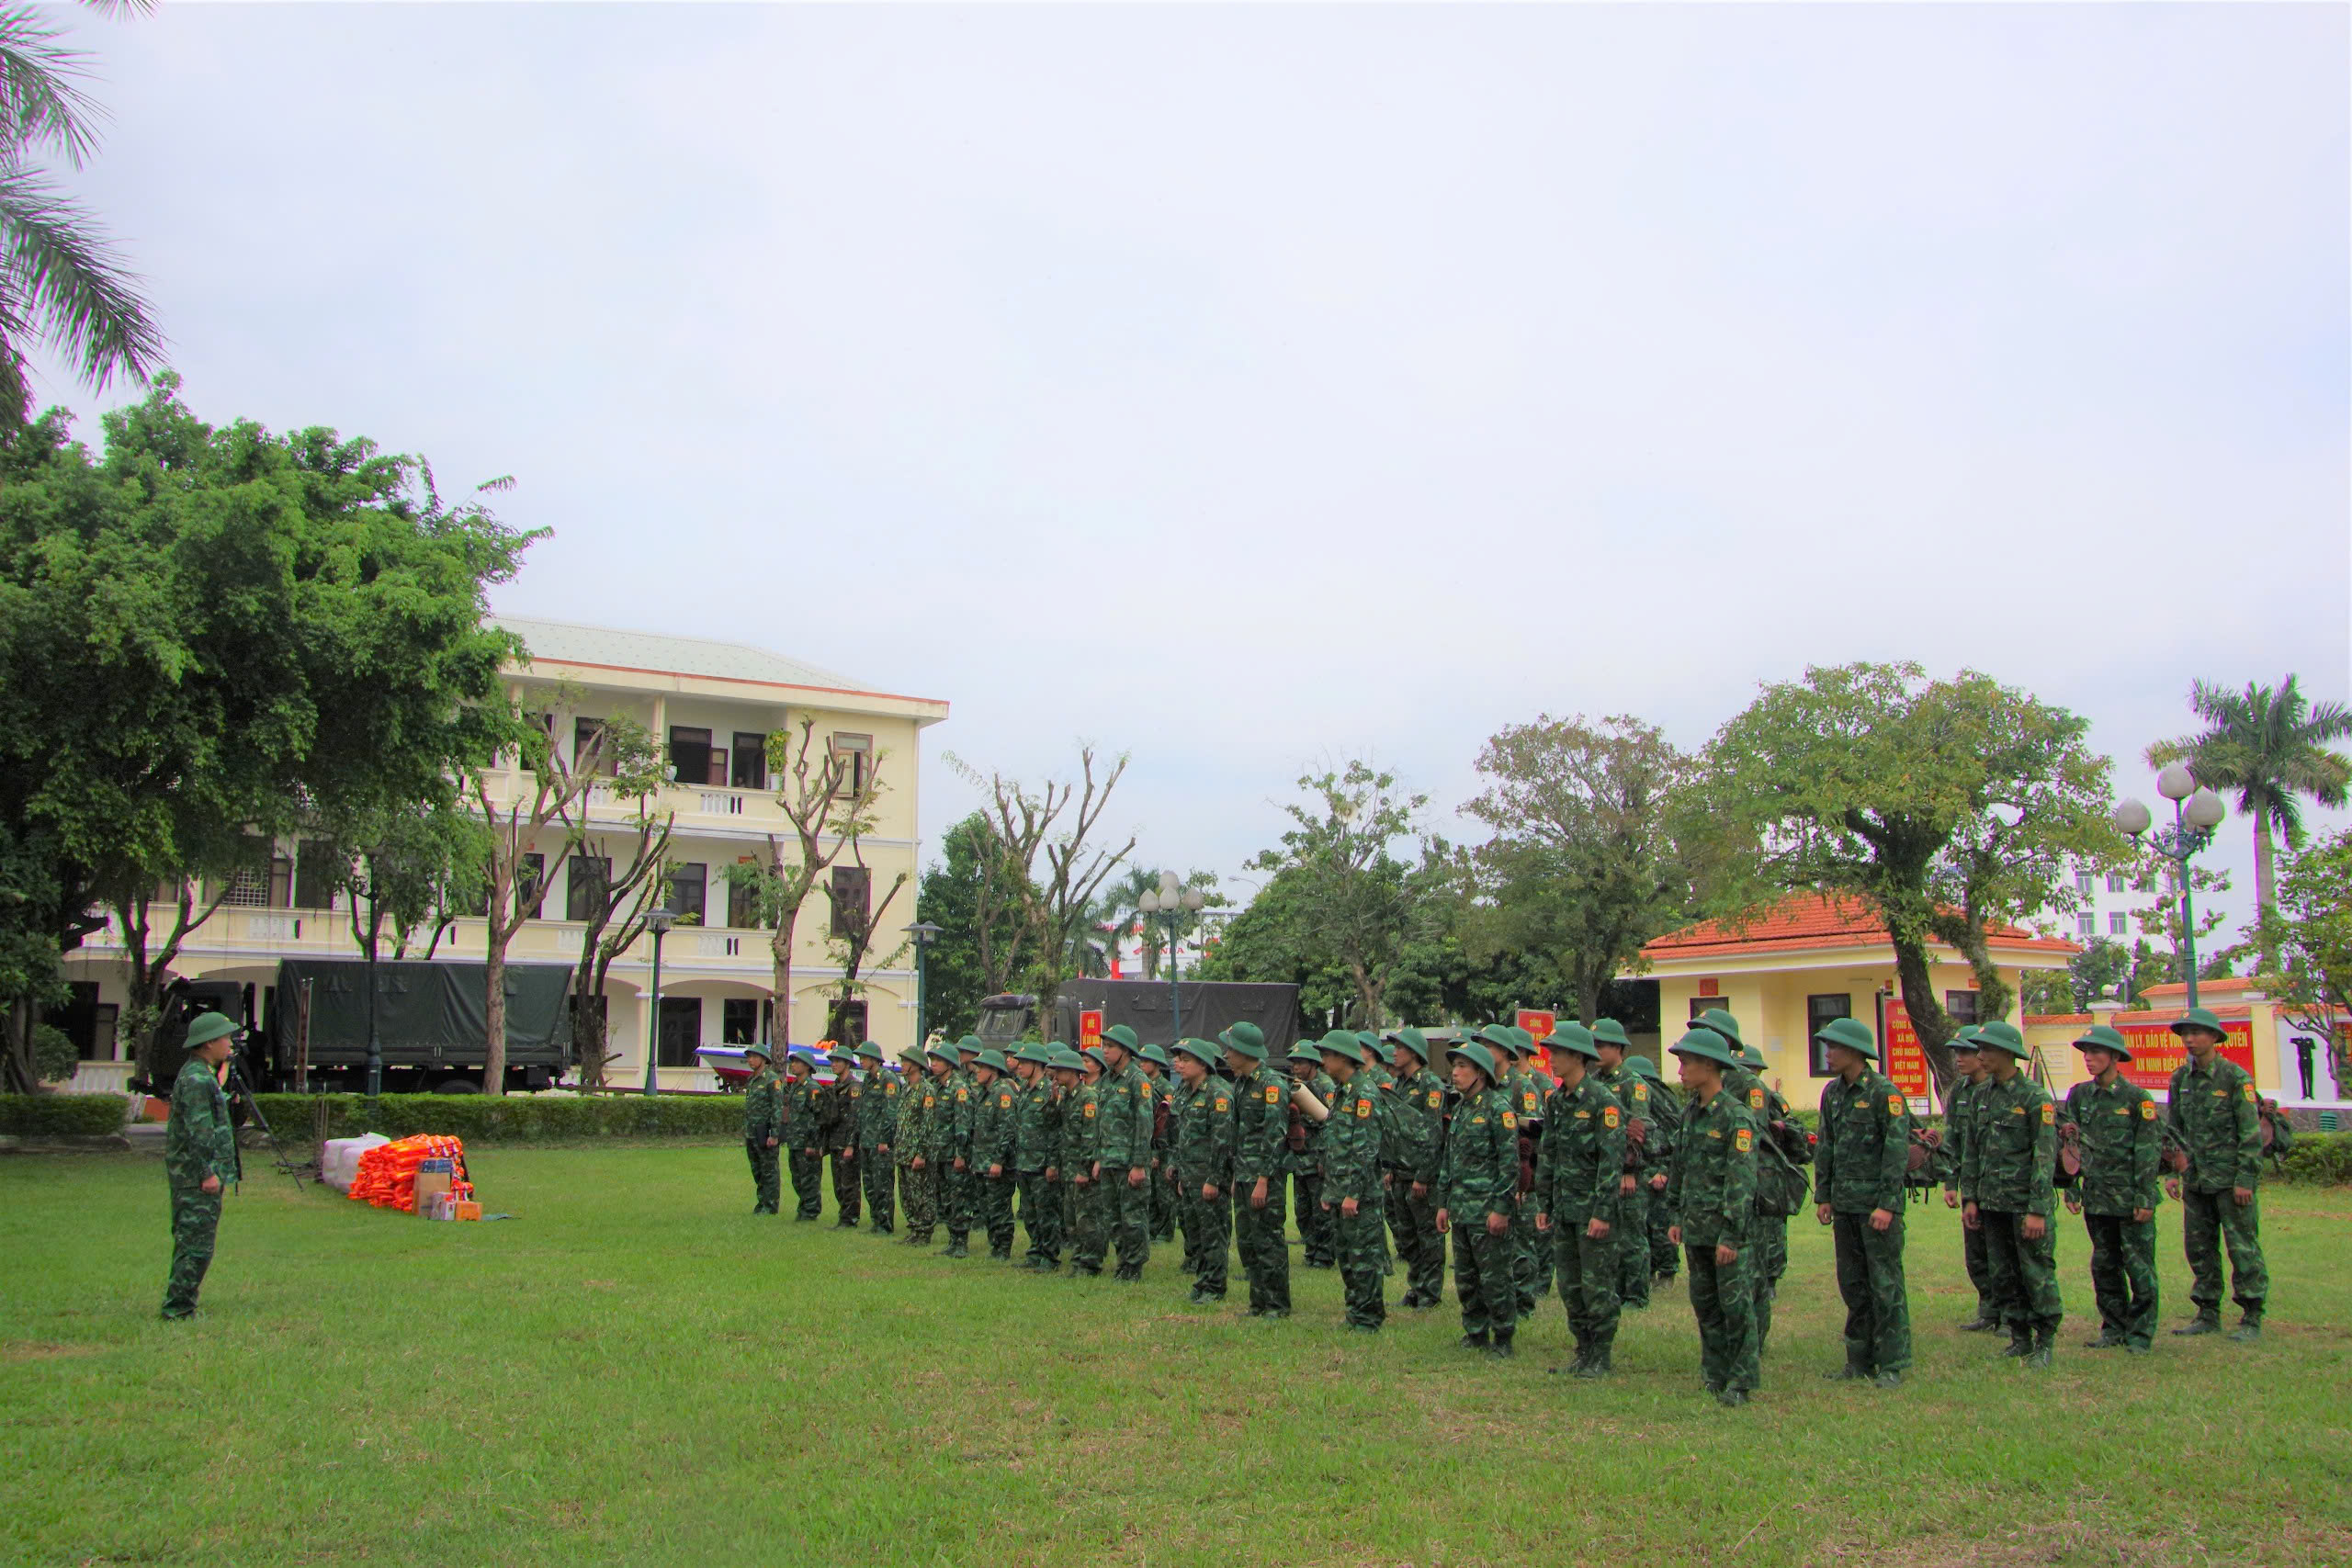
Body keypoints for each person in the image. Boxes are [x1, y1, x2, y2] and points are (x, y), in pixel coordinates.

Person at [1700, 1008, 1807, 1362]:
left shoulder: (1748, 1087)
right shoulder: (1701, 1085)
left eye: (1705, 1032)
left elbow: (1753, 1138)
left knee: (1753, 1274)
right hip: (1716, 1192)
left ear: (1726, 1044)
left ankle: (1753, 1345)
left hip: (1752, 1188)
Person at [1811, 1016, 1912, 1388]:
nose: (1828, 1052)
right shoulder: (1832, 1093)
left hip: (1875, 1207)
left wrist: (1887, 1205)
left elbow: (1896, 1153)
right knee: (1853, 1284)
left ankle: (1892, 1363)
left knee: (1885, 1284)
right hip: (1846, 1205)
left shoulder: (1885, 1094)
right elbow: (1827, 1145)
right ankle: (1858, 1359)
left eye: (1834, 1046)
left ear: (1855, 1051)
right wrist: (1824, 1194)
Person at [1664, 1027, 1759, 1408]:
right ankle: (1714, 1373)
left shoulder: (1736, 1116)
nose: (1682, 1071)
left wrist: (1731, 1235)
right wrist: (1675, 1214)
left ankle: (1741, 1379)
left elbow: (1741, 1180)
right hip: (1696, 1227)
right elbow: (1680, 1166)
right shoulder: (1691, 1112)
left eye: (1687, 1063)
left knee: (1735, 1307)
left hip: (1723, 1231)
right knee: (1705, 1304)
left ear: (1710, 1066)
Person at [2164, 1006, 2268, 1342]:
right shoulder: (2180, 1079)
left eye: (2196, 1033)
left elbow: (2250, 1134)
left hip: (2230, 1180)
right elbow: (2174, 1131)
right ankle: (2207, 1312)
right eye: (2185, 1034)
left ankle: (2251, 1315)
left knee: (2242, 1247)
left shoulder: (2235, 1079)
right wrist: (2171, 1171)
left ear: (2214, 1037)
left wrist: (2245, 1180)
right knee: (2199, 1247)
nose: (2189, 1040)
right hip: (2196, 1180)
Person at [1961, 1021, 2062, 1368]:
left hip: (2024, 1205)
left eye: (1986, 1049)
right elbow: (1971, 1150)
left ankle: (2044, 1341)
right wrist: (1970, 1198)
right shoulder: (1980, 1097)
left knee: (2036, 1272)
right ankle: (2019, 1337)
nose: (1981, 1055)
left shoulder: (2035, 1098)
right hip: (1992, 1204)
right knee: (2003, 1274)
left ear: (2007, 1053)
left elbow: (2044, 1157)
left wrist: (2036, 1209)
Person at [2063, 1023, 2161, 1352]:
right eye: (2086, 1053)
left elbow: (2148, 1151)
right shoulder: (2079, 1095)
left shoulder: (2137, 1099)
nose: (2089, 1059)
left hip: (2130, 1198)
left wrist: (2146, 1196)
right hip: (2097, 1197)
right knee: (2104, 1266)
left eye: (2096, 1052)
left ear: (2115, 1056)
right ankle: (2114, 1327)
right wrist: (2072, 1189)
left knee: (2139, 1267)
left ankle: (2141, 1334)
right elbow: (2073, 1147)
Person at [1533, 1022, 1623, 1378]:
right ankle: (1583, 1349)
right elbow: (1549, 1155)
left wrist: (1602, 1213)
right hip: (1565, 1208)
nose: (1551, 1059)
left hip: (1593, 1213)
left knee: (1597, 1286)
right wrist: (1545, 1205)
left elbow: (1611, 1162)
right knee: (1570, 1286)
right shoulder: (1556, 1102)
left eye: (1557, 1053)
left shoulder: (1603, 1102)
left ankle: (1601, 1354)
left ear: (1577, 1057)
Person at [1436, 1039, 1519, 1358]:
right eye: (1454, 1066)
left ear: (1481, 1073)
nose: (1455, 1073)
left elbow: (1509, 1164)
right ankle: (1475, 1331)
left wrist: (1501, 1209)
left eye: (1462, 1067)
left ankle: (1503, 1336)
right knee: (1466, 1277)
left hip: (1487, 1211)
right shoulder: (1459, 1110)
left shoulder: (1498, 1109)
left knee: (1495, 1277)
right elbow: (1450, 1160)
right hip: (1462, 1209)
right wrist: (1443, 1204)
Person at [162, 1012, 242, 1320]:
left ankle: (182, 1303)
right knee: (196, 1245)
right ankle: (179, 1309)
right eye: (225, 1038)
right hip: (197, 1178)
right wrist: (207, 1173)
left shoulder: (200, 1074)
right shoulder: (196, 1079)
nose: (229, 1043)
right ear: (209, 1042)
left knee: (193, 1240)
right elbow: (200, 1131)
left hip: (194, 1175)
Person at [1317, 1031, 1386, 1332]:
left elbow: (1365, 1147)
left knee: (1364, 1258)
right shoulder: (1343, 1091)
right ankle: (1355, 1312)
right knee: (1346, 1256)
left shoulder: (1365, 1092)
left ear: (1343, 1058)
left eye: (1327, 1055)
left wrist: (1353, 1194)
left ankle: (1369, 1317)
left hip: (1360, 1194)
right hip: (1339, 1189)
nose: (1322, 1062)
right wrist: (1331, 1190)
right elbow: (1336, 1144)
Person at [1224, 1023, 1292, 1319]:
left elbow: (1275, 1136)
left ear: (1244, 1052)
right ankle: (1258, 1303)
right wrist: (1237, 1176)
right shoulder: (1241, 1083)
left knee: (1269, 1242)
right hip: (1244, 1175)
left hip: (1264, 1178)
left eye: (1230, 1050)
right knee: (1249, 1243)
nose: (1226, 1055)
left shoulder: (1271, 1085)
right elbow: (1239, 1135)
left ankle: (1277, 1306)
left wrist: (1263, 1179)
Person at [1590, 1022, 1657, 1309]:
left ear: (1618, 1048)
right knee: (1610, 1237)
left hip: (1630, 1173)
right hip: (1603, 1173)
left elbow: (1639, 1127)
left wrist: (1629, 1170)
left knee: (1632, 1235)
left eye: (1601, 1045)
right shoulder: (1595, 1082)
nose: (1595, 1051)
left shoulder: (1634, 1083)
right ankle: (1615, 1290)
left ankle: (1637, 1294)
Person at [1383, 1027, 1446, 1310]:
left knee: (1428, 1236)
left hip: (1421, 1175)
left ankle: (1430, 1292)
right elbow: (1394, 1130)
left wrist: (1424, 1175)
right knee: (1407, 1236)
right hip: (1400, 1172)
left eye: (1399, 1047)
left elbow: (1434, 1133)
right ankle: (1416, 1286)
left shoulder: (1430, 1084)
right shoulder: (1398, 1085)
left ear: (1413, 1052)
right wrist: (1390, 1166)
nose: (1394, 1052)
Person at [1170, 1037, 1236, 1304]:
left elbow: (1223, 1142)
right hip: (1190, 1176)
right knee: (1196, 1234)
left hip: (1209, 1177)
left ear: (1203, 1064)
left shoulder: (1218, 1093)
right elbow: (1182, 1135)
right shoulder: (1184, 1092)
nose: (1178, 1064)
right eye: (1178, 1059)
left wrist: (1214, 1179)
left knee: (1213, 1234)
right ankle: (1203, 1279)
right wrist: (1180, 1173)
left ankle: (1215, 1286)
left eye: (1185, 1060)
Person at [1942, 1027, 1999, 1331]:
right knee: (1976, 1253)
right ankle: (1988, 1311)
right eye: (1956, 1053)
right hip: (1971, 1184)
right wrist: (1951, 1183)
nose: (1960, 1058)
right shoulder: (1959, 1092)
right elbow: (1951, 1139)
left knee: (2001, 1251)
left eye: (1965, 1052)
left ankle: (2008, 1313)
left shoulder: (1999, 1088)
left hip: (2002, 1183)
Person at [1093, 1025, 1156, 1281]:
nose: (1105, 1051)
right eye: (1104, 1045)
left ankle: (1134, 1265)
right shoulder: (1106, 1081)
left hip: (1130, 1162)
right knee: (1113, 1217)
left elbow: (1145, 1125)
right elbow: (1101, 1123)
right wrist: (1098, 1157)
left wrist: (1139, 1164)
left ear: (1125, 1051)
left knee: (1133, 1217)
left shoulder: (1137, 1080)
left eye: (1110, 1047)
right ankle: (1123, 1261)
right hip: (1109, 1159)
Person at [1624, 1053, 1684, 1291]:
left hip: (1660, 1168)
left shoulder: (1660, 1101)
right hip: (1644, 1167)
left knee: (1660, 1223)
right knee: (1644, 1224)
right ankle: (1647, 1272)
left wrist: (1664, 1170)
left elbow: (1675, 1139)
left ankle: (1667, 1273)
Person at [1012, 1043, 1066, 1271]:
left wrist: (1053, 1163)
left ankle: (1050, 1256)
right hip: (1025, 1161)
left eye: (1024, 1062)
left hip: (1042, 1163)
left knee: (1047, 1214)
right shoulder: (1024, 1089)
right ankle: (1035, 1251)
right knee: (1030, 1213)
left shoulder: (1049, 1091)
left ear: (1037, 1065)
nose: (1018, 1066)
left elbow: (1055, 1130)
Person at [1286, 1042, 1338, 1269]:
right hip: (1300, 1159)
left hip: (1316, 1158)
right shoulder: (1297, 1086)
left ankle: (1325, 1255)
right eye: (1293, 1063)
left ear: (1313, 1063)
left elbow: (1331, 1124)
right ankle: (1311, 1249)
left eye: (1300, 1063)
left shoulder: (1324, 1086)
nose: (1295, 1067)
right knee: (1302, 1211)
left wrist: (1324, 1159)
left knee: (1321, 1212)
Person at [970, 1049, 1020, 1259]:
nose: (977, 1071)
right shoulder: (983, 1093)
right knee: (986, 1206)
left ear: (993, 1070)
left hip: (997, 1163)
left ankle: (1003, 1248)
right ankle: (994, 1245)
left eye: (981, 1068)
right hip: (981, 1161)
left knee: (999, 1207)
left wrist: (998, 1160)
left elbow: (1008, 1129)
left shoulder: (1003, 1092)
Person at [1066, 1046, 1110, 1276]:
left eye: (1088, 1060)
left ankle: (1091, 1261)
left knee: (1089, 1217)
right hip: (1070, 1165)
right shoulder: (1070, 1095)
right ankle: (1079, 1258)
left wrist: (1088, 1165)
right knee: (1073, 1218)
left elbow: (1092, 1134)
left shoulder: (1090, 1095)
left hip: (1086, 1165)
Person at [897, 1045, 947, 1246]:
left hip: (918, 1152)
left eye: (906, 1062)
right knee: (907, 1194)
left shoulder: (927, 1090)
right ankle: (914, 1229)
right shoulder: (905, 1088)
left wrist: (922, 1153)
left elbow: (928, 1125)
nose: (902, 1065)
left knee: (922, 1194)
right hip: (903, 1150)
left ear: (916, 1066)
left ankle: (924, 1231)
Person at [938, 1038, 982, 1258]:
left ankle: (961, 1243)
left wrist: (960, 1154)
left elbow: (963, 1124)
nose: (933, 1063)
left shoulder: (959, 1087)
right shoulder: (940, 1086)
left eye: (938, 1060)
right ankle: (952, 1240)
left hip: (955, 1154)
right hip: (941, 1152)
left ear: (948, 1064)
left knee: (959, 1199)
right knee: (947, 1200)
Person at [854, 1042, 898, 1235]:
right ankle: (875, 1221)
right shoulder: (867, 1080)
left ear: (874, 1059)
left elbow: (891, 1112)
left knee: (883, 1185)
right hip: (866, 1139)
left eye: (864, 1057)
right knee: (870, 1184)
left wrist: (884, 1139)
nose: (861, 1061)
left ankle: (885, 1223)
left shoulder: (888, 1079)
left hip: (880, 1142)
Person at [817, 1044, 863, 1229]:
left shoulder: (854, 1087)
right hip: (835, 1142)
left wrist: (851, 1145)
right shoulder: (835, 1087)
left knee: (849, 1183)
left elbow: (856, 1118)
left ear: (847, 1064)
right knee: (838, 1183)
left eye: (837, 1061)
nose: (833, 1064)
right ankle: (843, 1216)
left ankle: (850, 1219)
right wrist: (824, 1144)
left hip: (847, 1142)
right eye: (832, 1061)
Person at [1138, 1043, 1178, 1247]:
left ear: (1157, 1064)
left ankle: (1166, 1230)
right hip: (1150, 1145)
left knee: (1165, 1192)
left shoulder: (1165, 1089)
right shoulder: (1144, 1085)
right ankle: (1153, 1228)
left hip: (1165, 1146)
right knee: (1151, 1191)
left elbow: (1166, 1123)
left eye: (1146, 1060)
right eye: (1141, 1060)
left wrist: (1158, 1152)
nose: (1142, 1063)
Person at [741, 1042, 784, 1215]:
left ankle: (771, 1204)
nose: (751, 1060)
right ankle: (762, 1201)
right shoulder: (751, 1080)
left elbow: (777, 1108)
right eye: (749, 1057)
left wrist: (774, 1133)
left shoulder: (772, 1080)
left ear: (764, 1059)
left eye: (754, 1057)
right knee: (757, 1169)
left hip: (765, 1132)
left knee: (769, 1170)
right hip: (751, 1131)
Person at [782, 1049, 824, 1221]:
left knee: (810, 1178)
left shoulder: (813, 1088)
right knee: (797, 1178)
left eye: (797, 1062)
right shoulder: (795, 1087)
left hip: (807, 1142)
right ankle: (804, 1206)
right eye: (792, 1062)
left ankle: (811, 1211)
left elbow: (817, 1118)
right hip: (795, 1141)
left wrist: (812, 1144)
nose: (793, 1065)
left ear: (807, 1066)